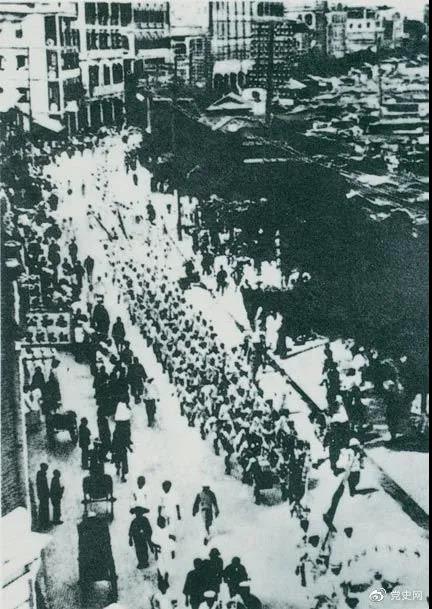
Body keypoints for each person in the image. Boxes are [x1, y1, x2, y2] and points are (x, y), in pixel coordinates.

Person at [36, 463, 50, 530]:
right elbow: (40, 486)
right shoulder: (40, 474)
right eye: (45, 468)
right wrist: (41, 494)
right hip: (43, 495)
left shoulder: (42, 474)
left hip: (44, 495)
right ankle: (43, 523)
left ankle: (45, 522)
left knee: (45, 508)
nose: (46, 469)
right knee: (43, 508)